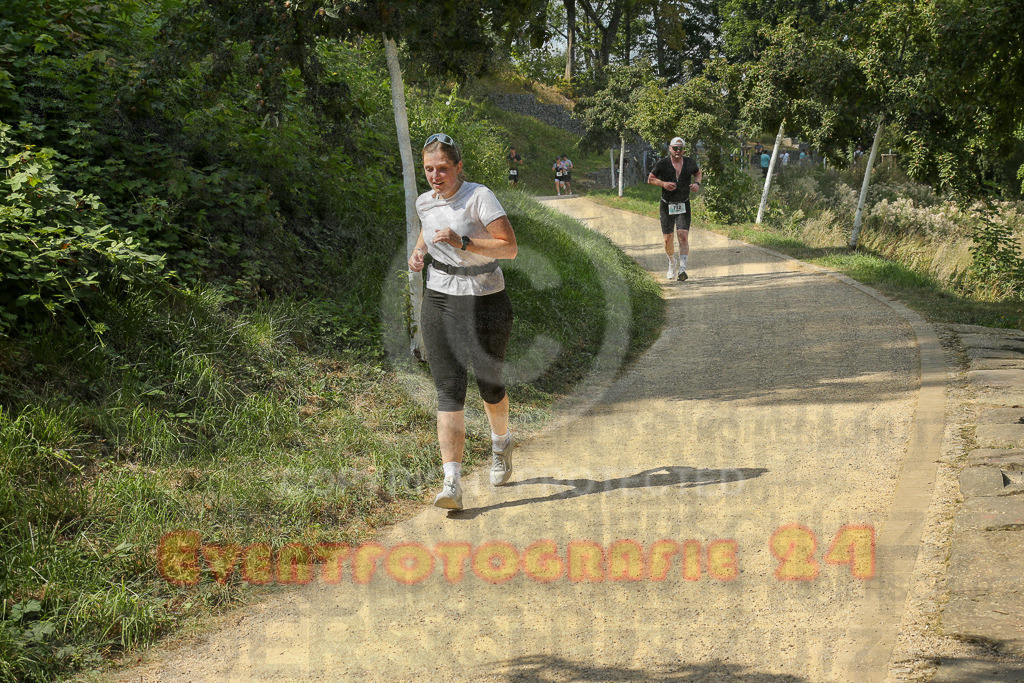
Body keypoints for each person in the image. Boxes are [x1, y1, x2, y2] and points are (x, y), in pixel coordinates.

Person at [407, 133, 518, 511]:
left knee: (489, 385)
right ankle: (451, 482)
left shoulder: (479, 196)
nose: (435, 177)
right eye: (428, 170)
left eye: (442, 169)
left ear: (458, 168)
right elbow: (427, 223)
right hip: (439, 298)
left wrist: (464, 243)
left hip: (487, 298)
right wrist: (420, 251)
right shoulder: (425, 201)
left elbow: (510, 247)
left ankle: (500, 444)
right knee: (449, 389)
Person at [647, 136, 702, 282]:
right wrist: (663, 184)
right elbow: (650, 179)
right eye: (675, 148)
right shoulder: (663, 163)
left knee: (683, 235)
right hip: (667, 205)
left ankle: (682, 270)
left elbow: (698, 173)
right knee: (668, 239)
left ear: (684, 149)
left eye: (681, 148)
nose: (678, 151)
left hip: (683, 203)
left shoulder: (690, 162)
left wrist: (697, 184)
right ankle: (672, 263)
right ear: (670, 148)